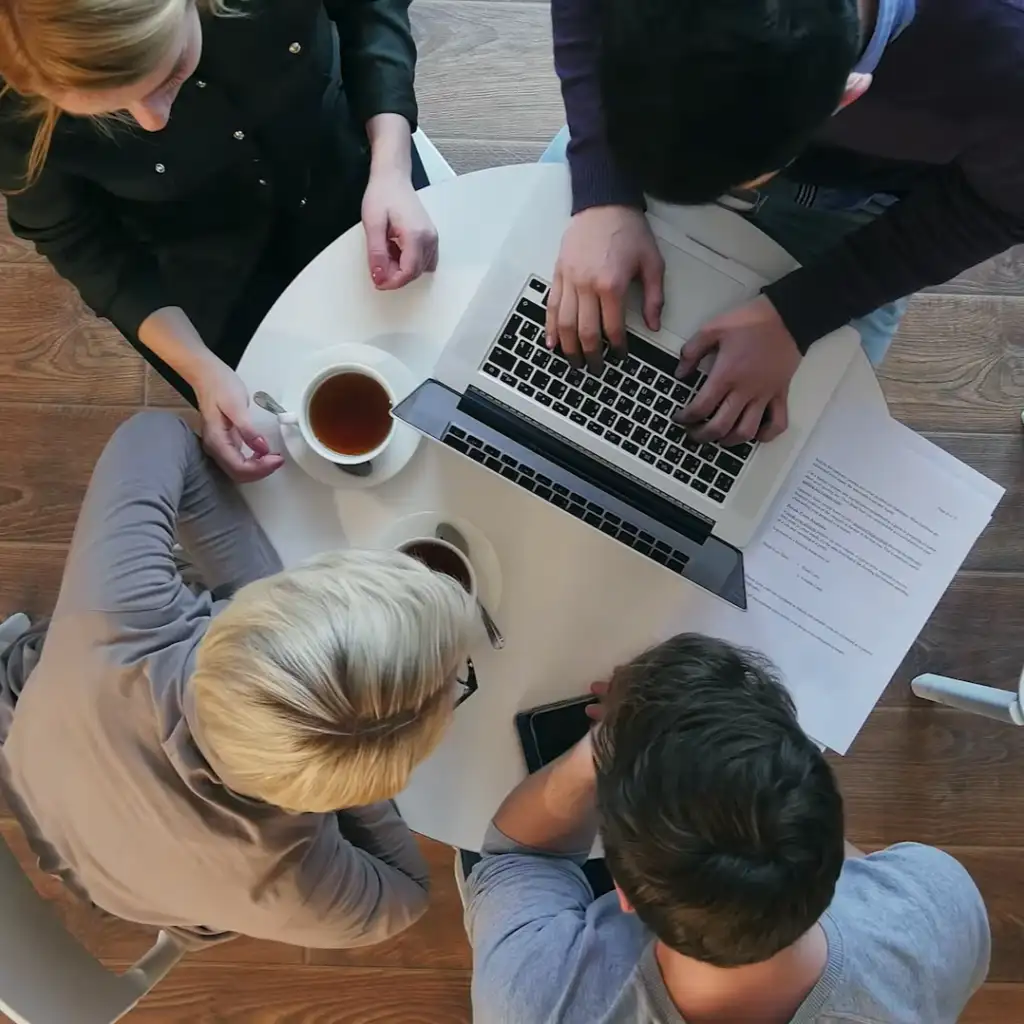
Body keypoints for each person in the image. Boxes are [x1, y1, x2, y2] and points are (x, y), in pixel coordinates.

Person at [0, 411, 479, 948]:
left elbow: (155, 433)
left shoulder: (118, 617)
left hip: (44, 782)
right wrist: (349, 774)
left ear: (256, 611)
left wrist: (261, 588)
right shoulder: (299, 885)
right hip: (120, 871)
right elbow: (410, 893)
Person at [545, 0, 1024, 447]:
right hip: (633, 129)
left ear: (847, 96)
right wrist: (603, 187)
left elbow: (1001, 207)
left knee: (807, 439)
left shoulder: (1007, 57)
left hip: (855, 213)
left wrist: (800, 314)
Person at [0, 0, 436, 482]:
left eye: (168, 76)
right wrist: (198, 366)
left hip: (344, 162)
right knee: (301, 457)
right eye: (106, 113)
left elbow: (369, 10)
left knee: (445, 342)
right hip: (203, 261)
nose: (152, 121)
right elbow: (75, 237)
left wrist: (390, 166)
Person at [465, 634, 991, 1023]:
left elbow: (517, 858)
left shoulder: (532, 1000)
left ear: (625, 891)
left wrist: (603, 747)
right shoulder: (935, 910)